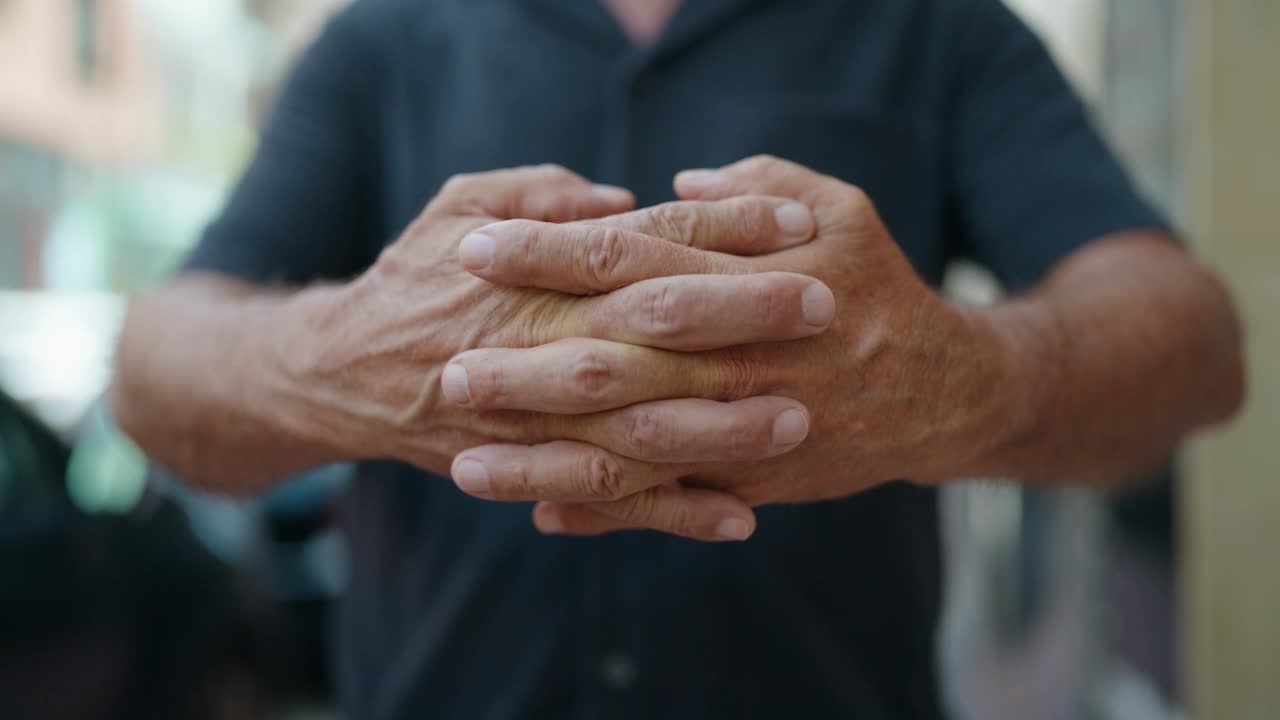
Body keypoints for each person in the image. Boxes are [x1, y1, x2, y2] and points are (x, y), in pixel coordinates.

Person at [110, 0, 1244, 717]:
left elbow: (1192, 339)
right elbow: (154, 368)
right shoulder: (382, 41)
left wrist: (976, 377)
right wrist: (342, 357)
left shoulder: (939, 30)